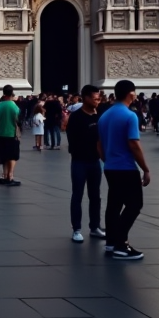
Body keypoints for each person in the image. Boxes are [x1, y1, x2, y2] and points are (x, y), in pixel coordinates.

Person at [98, 77, 151, 259]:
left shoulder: (105, 115)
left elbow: (99, 144)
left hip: (110, 167)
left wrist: (108, 160)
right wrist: (145, 168)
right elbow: (134, 144)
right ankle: (121, 243)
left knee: (114, 204)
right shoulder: (130, 115)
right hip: (126, 168)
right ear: (131, 94)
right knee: (135, 205)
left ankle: (111, 242)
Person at [64, 84, 105, 243]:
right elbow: (72, 140)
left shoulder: (99, 115)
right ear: (86, 98)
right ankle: (77, 229)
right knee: (77, 195)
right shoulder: (76, 117)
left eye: (99, 98)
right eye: (95, 98)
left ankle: (95, 227)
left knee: (96, 196)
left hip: (95, 161)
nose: (98, 101)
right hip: (79, 161)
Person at [0, 85, 21, 186]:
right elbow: (18, 119)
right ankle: (10, 176)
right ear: (12, 93)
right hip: (12, 133)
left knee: (4, 155)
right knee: (13, 156)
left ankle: (4, 175)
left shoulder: (0, 105)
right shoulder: (14, 106)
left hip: (1, 133)